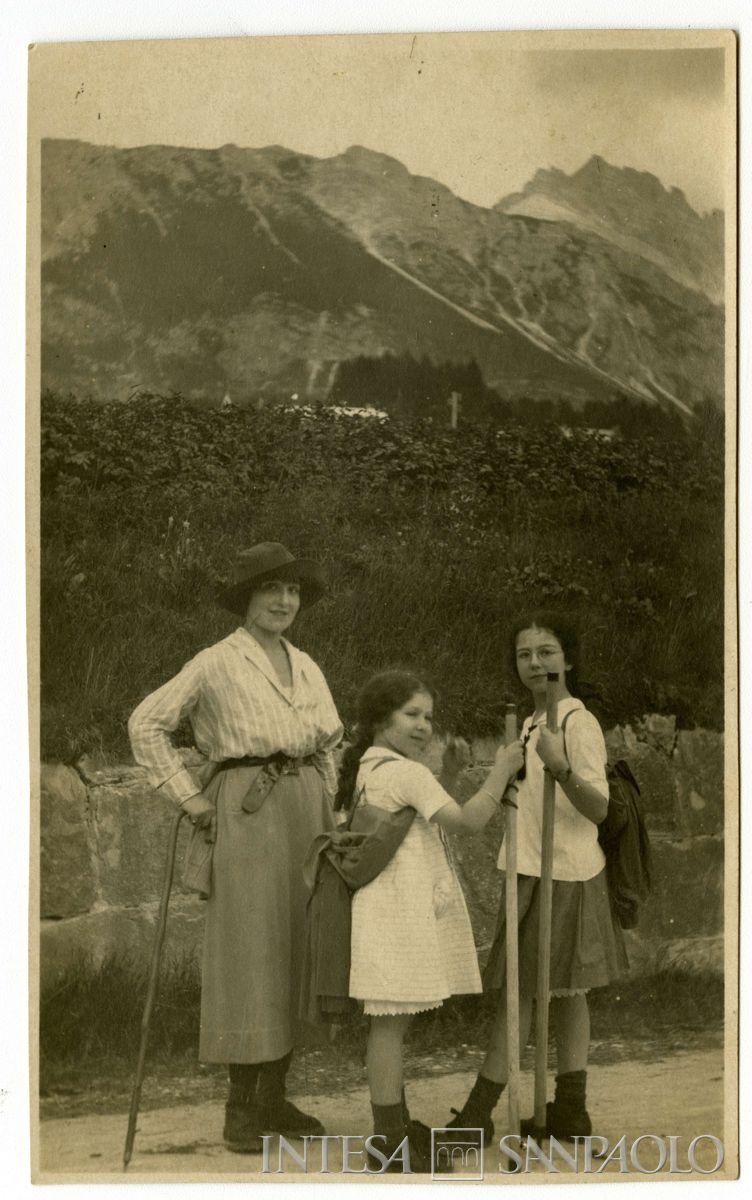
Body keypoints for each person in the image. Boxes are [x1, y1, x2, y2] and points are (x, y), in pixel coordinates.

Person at [128, 541, 344, 1154]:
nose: (284, 600)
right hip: (247, 809)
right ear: (246, 599)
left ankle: (275, 1098)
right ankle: (240, 1108)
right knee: (249, 950)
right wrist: (190, 799)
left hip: (307, 812)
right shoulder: (216, 662)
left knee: (297, 945)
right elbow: (146, 723)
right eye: (271, 589)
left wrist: (329, 804)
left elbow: (329, 739)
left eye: (293, 591)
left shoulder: (305, 664)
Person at [446, 612, 628, 1142]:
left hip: (565, 874)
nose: (535, 663)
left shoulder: (577, 723)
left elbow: (599, 808)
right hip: (527, 870)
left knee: (530, 996)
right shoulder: (528, 723)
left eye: (547, 651)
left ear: (568, 659)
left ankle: (482, 1117)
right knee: (559, 994)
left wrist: (561, 766)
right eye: (525, 654)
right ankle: (569, 1112)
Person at [333, 669, 524, 1172]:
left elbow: (418, 809)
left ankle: (391, 1131)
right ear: (380, 719)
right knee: (390, 1026)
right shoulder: (406, 773)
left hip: (383, 910)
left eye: (429, 717)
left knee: (388, 1024)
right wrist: (501, 769)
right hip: (399, 914)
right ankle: (389, 1143)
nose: (424, 726)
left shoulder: (373, 768)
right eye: (411, 714)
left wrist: (452, 775)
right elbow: (467, 822)